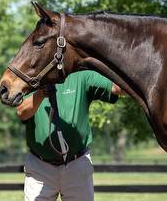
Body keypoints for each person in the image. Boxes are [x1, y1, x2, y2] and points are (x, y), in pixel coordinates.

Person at [16, 70, 123, 201]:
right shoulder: (32, 77)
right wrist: (40, 93)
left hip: (76, 164)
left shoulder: (82, 74)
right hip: (40, 167)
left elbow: (117, 88)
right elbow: (21, 112)